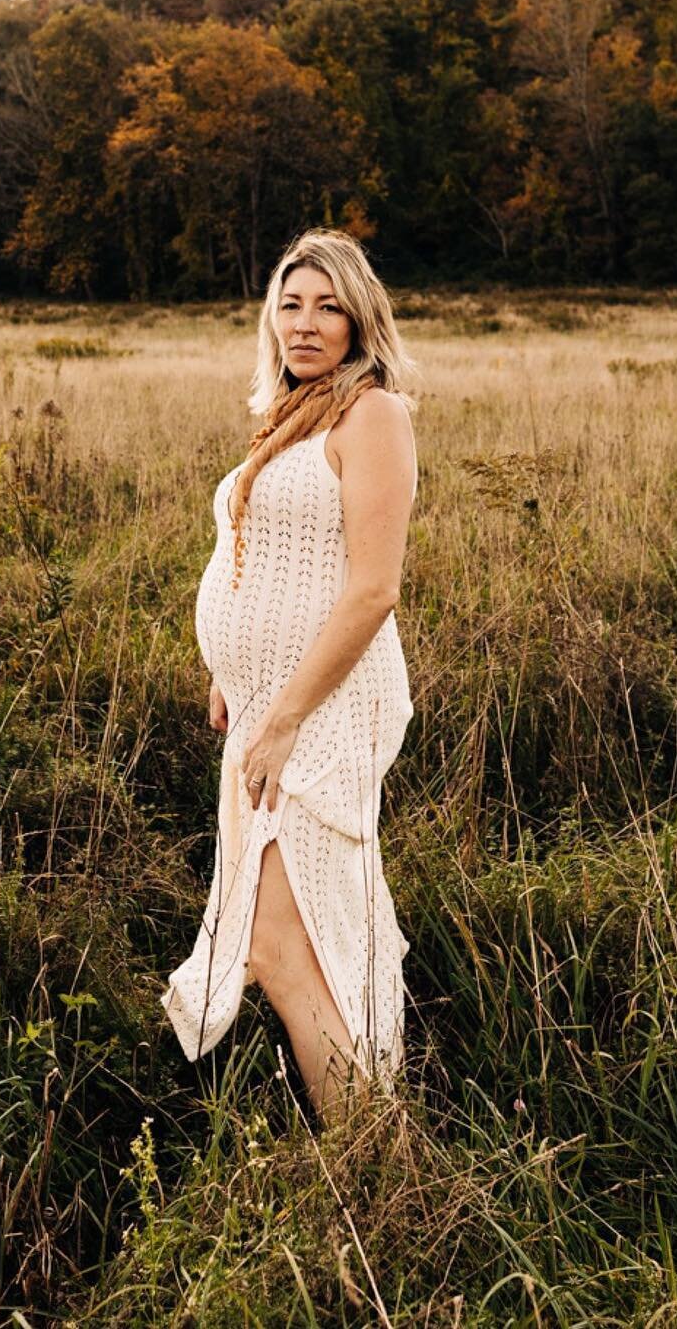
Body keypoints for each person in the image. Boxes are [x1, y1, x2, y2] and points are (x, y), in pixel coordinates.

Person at [160, 227, 420, 1125]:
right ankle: (372, 1127)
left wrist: (286, 716)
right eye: (291, 302)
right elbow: (257, 546)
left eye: (329, 306)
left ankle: (377, 1165)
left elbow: (374, 588)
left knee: (273, 944)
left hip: (326, 711)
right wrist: (232, 669)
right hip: (270, 703)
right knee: (309, 930)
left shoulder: (372, 414)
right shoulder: (291, 412)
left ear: (360, 320)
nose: (306, 323)